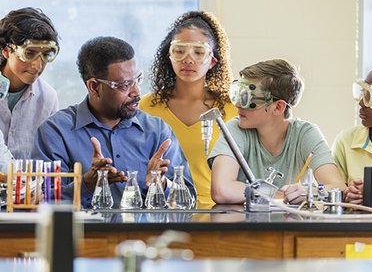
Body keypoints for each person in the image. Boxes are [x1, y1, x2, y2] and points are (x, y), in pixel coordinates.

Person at [32, 36, 196, 208]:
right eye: (125, 85)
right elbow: (42, 202)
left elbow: (191, 201)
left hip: (146, 234)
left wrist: (161, 184)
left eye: (138, 80)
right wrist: (86, 185)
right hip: (84, 235)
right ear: (94, 87)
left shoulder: (157, 131)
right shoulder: (57, 132)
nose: (136, 92)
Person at [208, 59, 345, 204]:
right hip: (245, 223)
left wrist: (308, 192)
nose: (237, 105)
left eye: (247, 98)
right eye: (238, 94)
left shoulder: (305, 134)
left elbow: (338, 187)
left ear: (278, 107)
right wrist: (281, 196)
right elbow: (221, 190)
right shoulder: (235, 129)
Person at [139, 11, 237, 207]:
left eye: (198, 52)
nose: (188, 59)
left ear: (212, 61)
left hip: (218, 212)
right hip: (160, 210)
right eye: (180, 50)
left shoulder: (232, 109)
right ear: (169, 55)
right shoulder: (146, 107)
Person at [0, 7, 59, 160]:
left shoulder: (48, 98)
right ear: (6, 51)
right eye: (29, 53)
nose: (37, 66)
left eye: (46, 55)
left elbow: (50, 157)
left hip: (28, 184)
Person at [332, 65, 372, 205]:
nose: (361, 103)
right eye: (362, 93)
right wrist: (349, 194)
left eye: (369, 96)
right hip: (359, 226)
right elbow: (333, 191)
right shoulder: (347, 140)